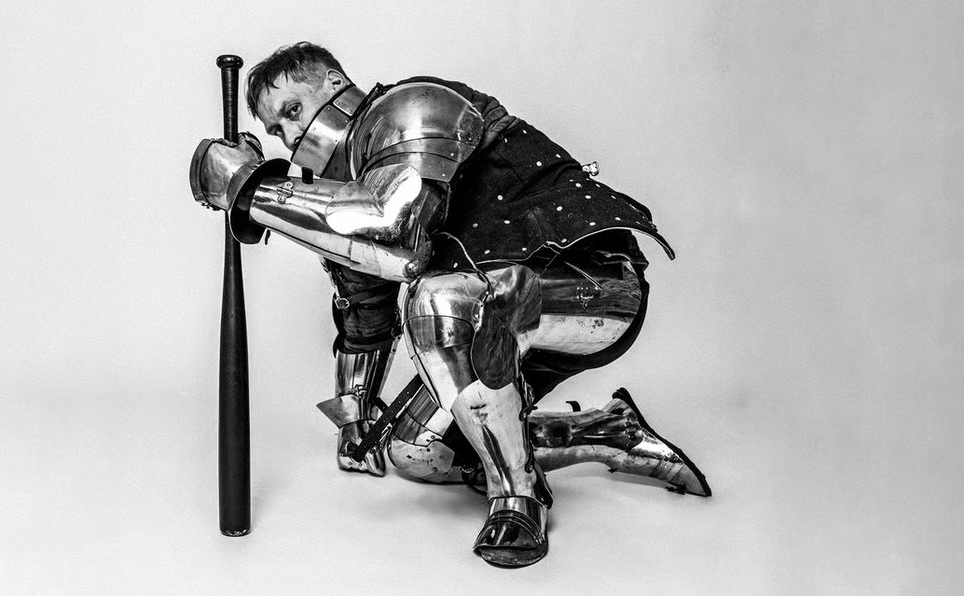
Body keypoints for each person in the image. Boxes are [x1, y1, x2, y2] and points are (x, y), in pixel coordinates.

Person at [190, 42, 710, 568]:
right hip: (492, 322)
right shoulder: (344, 188)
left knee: (438, 300)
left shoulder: (411, 107)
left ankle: (517, 498)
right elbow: (365, 310)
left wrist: (247, 188)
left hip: (589, 279)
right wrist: (354, 419)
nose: (291, 136)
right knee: (415, 450)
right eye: (276, 130)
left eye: (293, 110)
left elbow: (395, 234)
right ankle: (608, 431)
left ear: (332, 82)